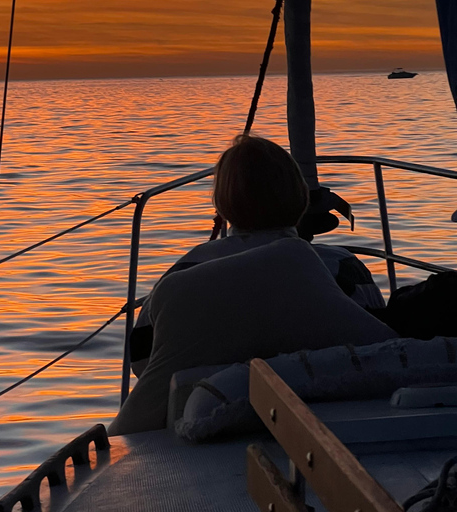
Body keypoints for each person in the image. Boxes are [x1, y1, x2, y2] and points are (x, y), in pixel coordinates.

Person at [109, 136, 396, 435]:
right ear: (300, 195)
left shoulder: (184, 274)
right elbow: (376, 344)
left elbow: (143, 364)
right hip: (340, 425)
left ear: (222, 203)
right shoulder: (344, 268)